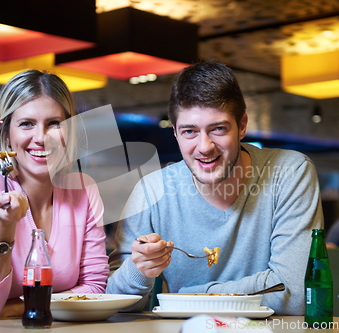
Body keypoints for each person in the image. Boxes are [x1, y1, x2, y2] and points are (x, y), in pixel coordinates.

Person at [106, 61, 323, 315]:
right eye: (189, 131)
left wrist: (185, 297)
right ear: (175, 133)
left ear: (242, 126)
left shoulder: (290, 173)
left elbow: (295, 293)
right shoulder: (151, 191)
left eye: (218, 128)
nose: (205, 146)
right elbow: (115, 303)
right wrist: (138, 271)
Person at [0, 70, 109, 322]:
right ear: (6, 132)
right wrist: (4, 229)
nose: (40, 138)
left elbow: (94, 289)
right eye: (27, 123)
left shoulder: (83, 189)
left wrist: (17, 307)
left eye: (53, 124)